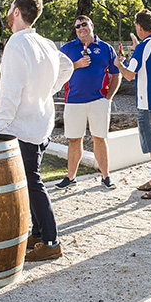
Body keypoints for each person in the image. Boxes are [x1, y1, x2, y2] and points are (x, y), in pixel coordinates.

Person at [0, 0, 73, 262]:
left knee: (32, 182)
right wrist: (48, 90)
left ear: (16, 11)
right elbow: (68, 66)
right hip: (42, 122)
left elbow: (9, 94)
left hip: (23, 128)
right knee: (31, 182)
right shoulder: (45, 43)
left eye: (9, 8)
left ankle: (51, 241)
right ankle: (38, 236)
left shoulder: (16, 44)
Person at [55, 15, 121, 190]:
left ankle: (106, 176)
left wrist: (109, 97)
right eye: (77, 26)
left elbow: (116, 74)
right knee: (74, 140)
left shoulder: (106, 48)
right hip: (74, 101)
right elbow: (57, 72)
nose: (81, 28)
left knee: (99, 138)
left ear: (91, 25)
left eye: (84, 24)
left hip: (98, 101)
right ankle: (70, 177)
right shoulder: (67, 48)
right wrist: (76, 65)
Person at [114, 9, 151, 199]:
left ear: (139, 27)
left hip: (147, 104)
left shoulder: (142, 48)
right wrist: (139, 47)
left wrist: (119, 64)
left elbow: (129, 75)